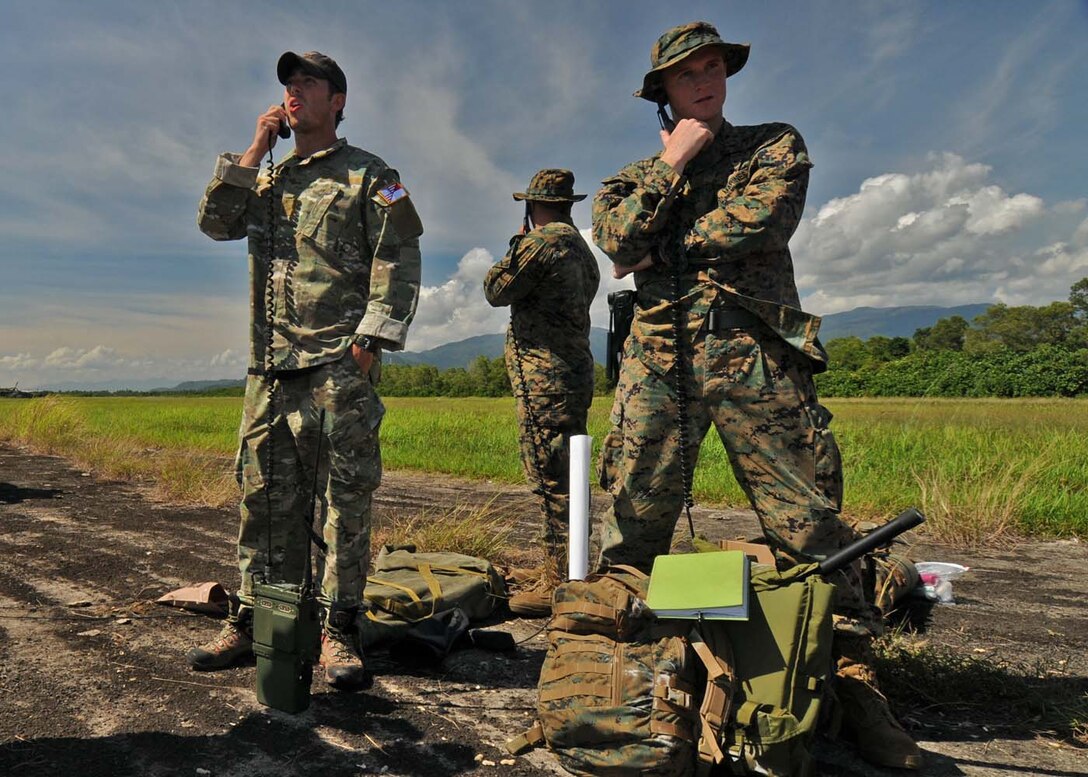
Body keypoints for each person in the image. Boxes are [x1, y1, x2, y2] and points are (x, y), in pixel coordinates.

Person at [591, 22, 921, 770]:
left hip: (756, 359)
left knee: (808, 527)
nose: (705, 81)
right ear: (664, 96)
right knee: (633, 524)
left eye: (713, 68)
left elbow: (762, 219)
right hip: (657, 362)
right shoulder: (632, 174)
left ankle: (851, 683)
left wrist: (662, 243)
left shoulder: (772, 144)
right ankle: (627, 678)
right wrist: (673, 165)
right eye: (687, 75)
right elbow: (615, 236)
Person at [191, 51, 422, 690]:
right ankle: (256, 621)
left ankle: (338, 630)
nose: (294, 93)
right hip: (269, 369)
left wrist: (370, 343)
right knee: (262, 502)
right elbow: (213, 223)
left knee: (343, 506)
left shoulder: (371, 175)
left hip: (334, 367)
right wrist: (254, 145)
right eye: (288, 85)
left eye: (308, 83)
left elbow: (398, 256)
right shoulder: (265, 179)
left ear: (337, 99)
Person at [484, 170, 600, 616]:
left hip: (543, 379)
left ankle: (559, 581)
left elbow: (496, 290)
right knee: (569, 475)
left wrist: (516, 244)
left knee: (552, 481)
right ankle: (575, 568)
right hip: (571, 373)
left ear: (532, 206)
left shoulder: (541, 243)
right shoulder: (581, 249)